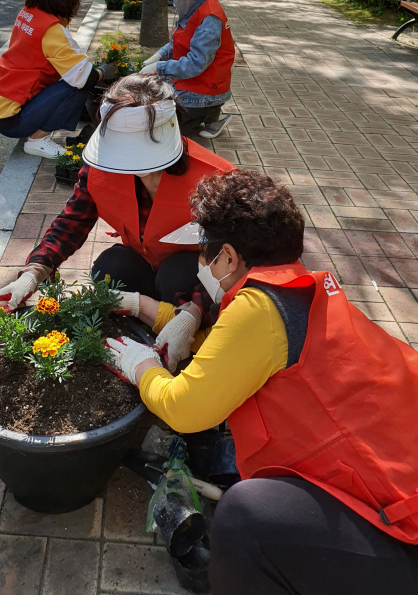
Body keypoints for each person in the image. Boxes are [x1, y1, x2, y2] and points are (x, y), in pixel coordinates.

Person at [107, 168, 418, 595]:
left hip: (399, 528)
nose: (200, 262)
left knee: (245, 516)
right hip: (396, 477)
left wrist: (140, 364)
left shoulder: (258, 310)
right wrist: (147, 306)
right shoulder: (294, 287)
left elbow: (184, 407)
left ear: (228, 257)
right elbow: (229, 350)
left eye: (203, 252)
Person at [0, 74, 234, 315]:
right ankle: (151, 316)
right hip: (146, 263)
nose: (131, 166)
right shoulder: (100, 168)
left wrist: (194, 313)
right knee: (111, 266)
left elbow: (238, 259)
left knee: (176, 274)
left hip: (198, 280)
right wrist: (34, 271)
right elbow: (73, 221)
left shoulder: (217, 180)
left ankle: (186, 321)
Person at [0, 0, 117, 159]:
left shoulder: (29, 13)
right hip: (12, 120)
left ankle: (36, 128)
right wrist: (104, 71)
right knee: (77, 85)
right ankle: (37, 141)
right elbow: (83, 77)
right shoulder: (51, 30)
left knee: (69, 78)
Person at [140, 0, 233, 140]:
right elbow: (180, 42)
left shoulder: (209, 20)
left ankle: (208, 111)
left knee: (164, 127)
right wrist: (159, 55)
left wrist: (159, 68)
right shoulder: (196, 3)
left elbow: (195, 64)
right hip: (198, 82)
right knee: (158, 104)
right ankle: (208, 113)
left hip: (205, 87)